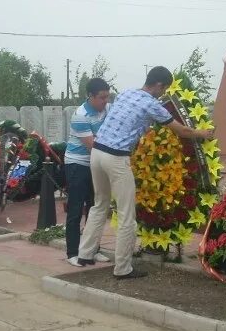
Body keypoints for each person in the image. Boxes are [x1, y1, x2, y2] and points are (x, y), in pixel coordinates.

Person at [77, 66, 213, 279]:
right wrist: (202, 133)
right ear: (158, 85)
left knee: (99, 205)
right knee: (126, 216)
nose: (164, 93)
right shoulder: (152, 104)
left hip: (97, 152)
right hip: (116, 157)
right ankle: (123, 268)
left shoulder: (126, 93)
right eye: (164, 88)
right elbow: (182, 131)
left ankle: (85, 254)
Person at [65, 78, 111, 267]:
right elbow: (93, 146)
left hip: (97, 164)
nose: (105, 101)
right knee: (76, 209)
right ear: (90, 96)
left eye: (108, 97)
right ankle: (73, 252)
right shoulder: (80, 115)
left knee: (96, 208)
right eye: (102, 98)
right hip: (78, 164)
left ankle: (93, 249)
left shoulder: (108, 109)